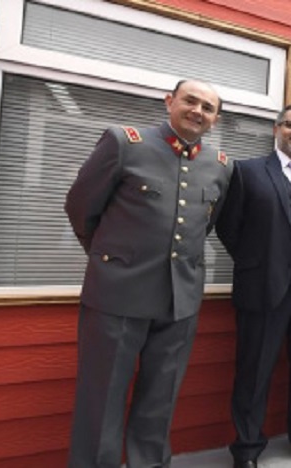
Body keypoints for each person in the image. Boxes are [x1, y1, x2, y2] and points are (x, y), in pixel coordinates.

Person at [65, 79, 231, 468]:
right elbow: (80, 207)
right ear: (169, 101)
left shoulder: (221, 166)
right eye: (190, 101)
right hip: (117, 296)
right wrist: (114, 259)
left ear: (215, 119)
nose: (198, 111)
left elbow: (203, 226)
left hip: (180, 300)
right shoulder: (125, 143)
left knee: (161, 397)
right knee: (102, 397)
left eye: (208, 108)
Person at [215, 103, 291, 468]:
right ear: (277, 129)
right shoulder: (248, 172)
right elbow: (228, 227)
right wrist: (257, 262)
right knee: (254, 371)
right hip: (263, 290)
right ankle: (248, 448)